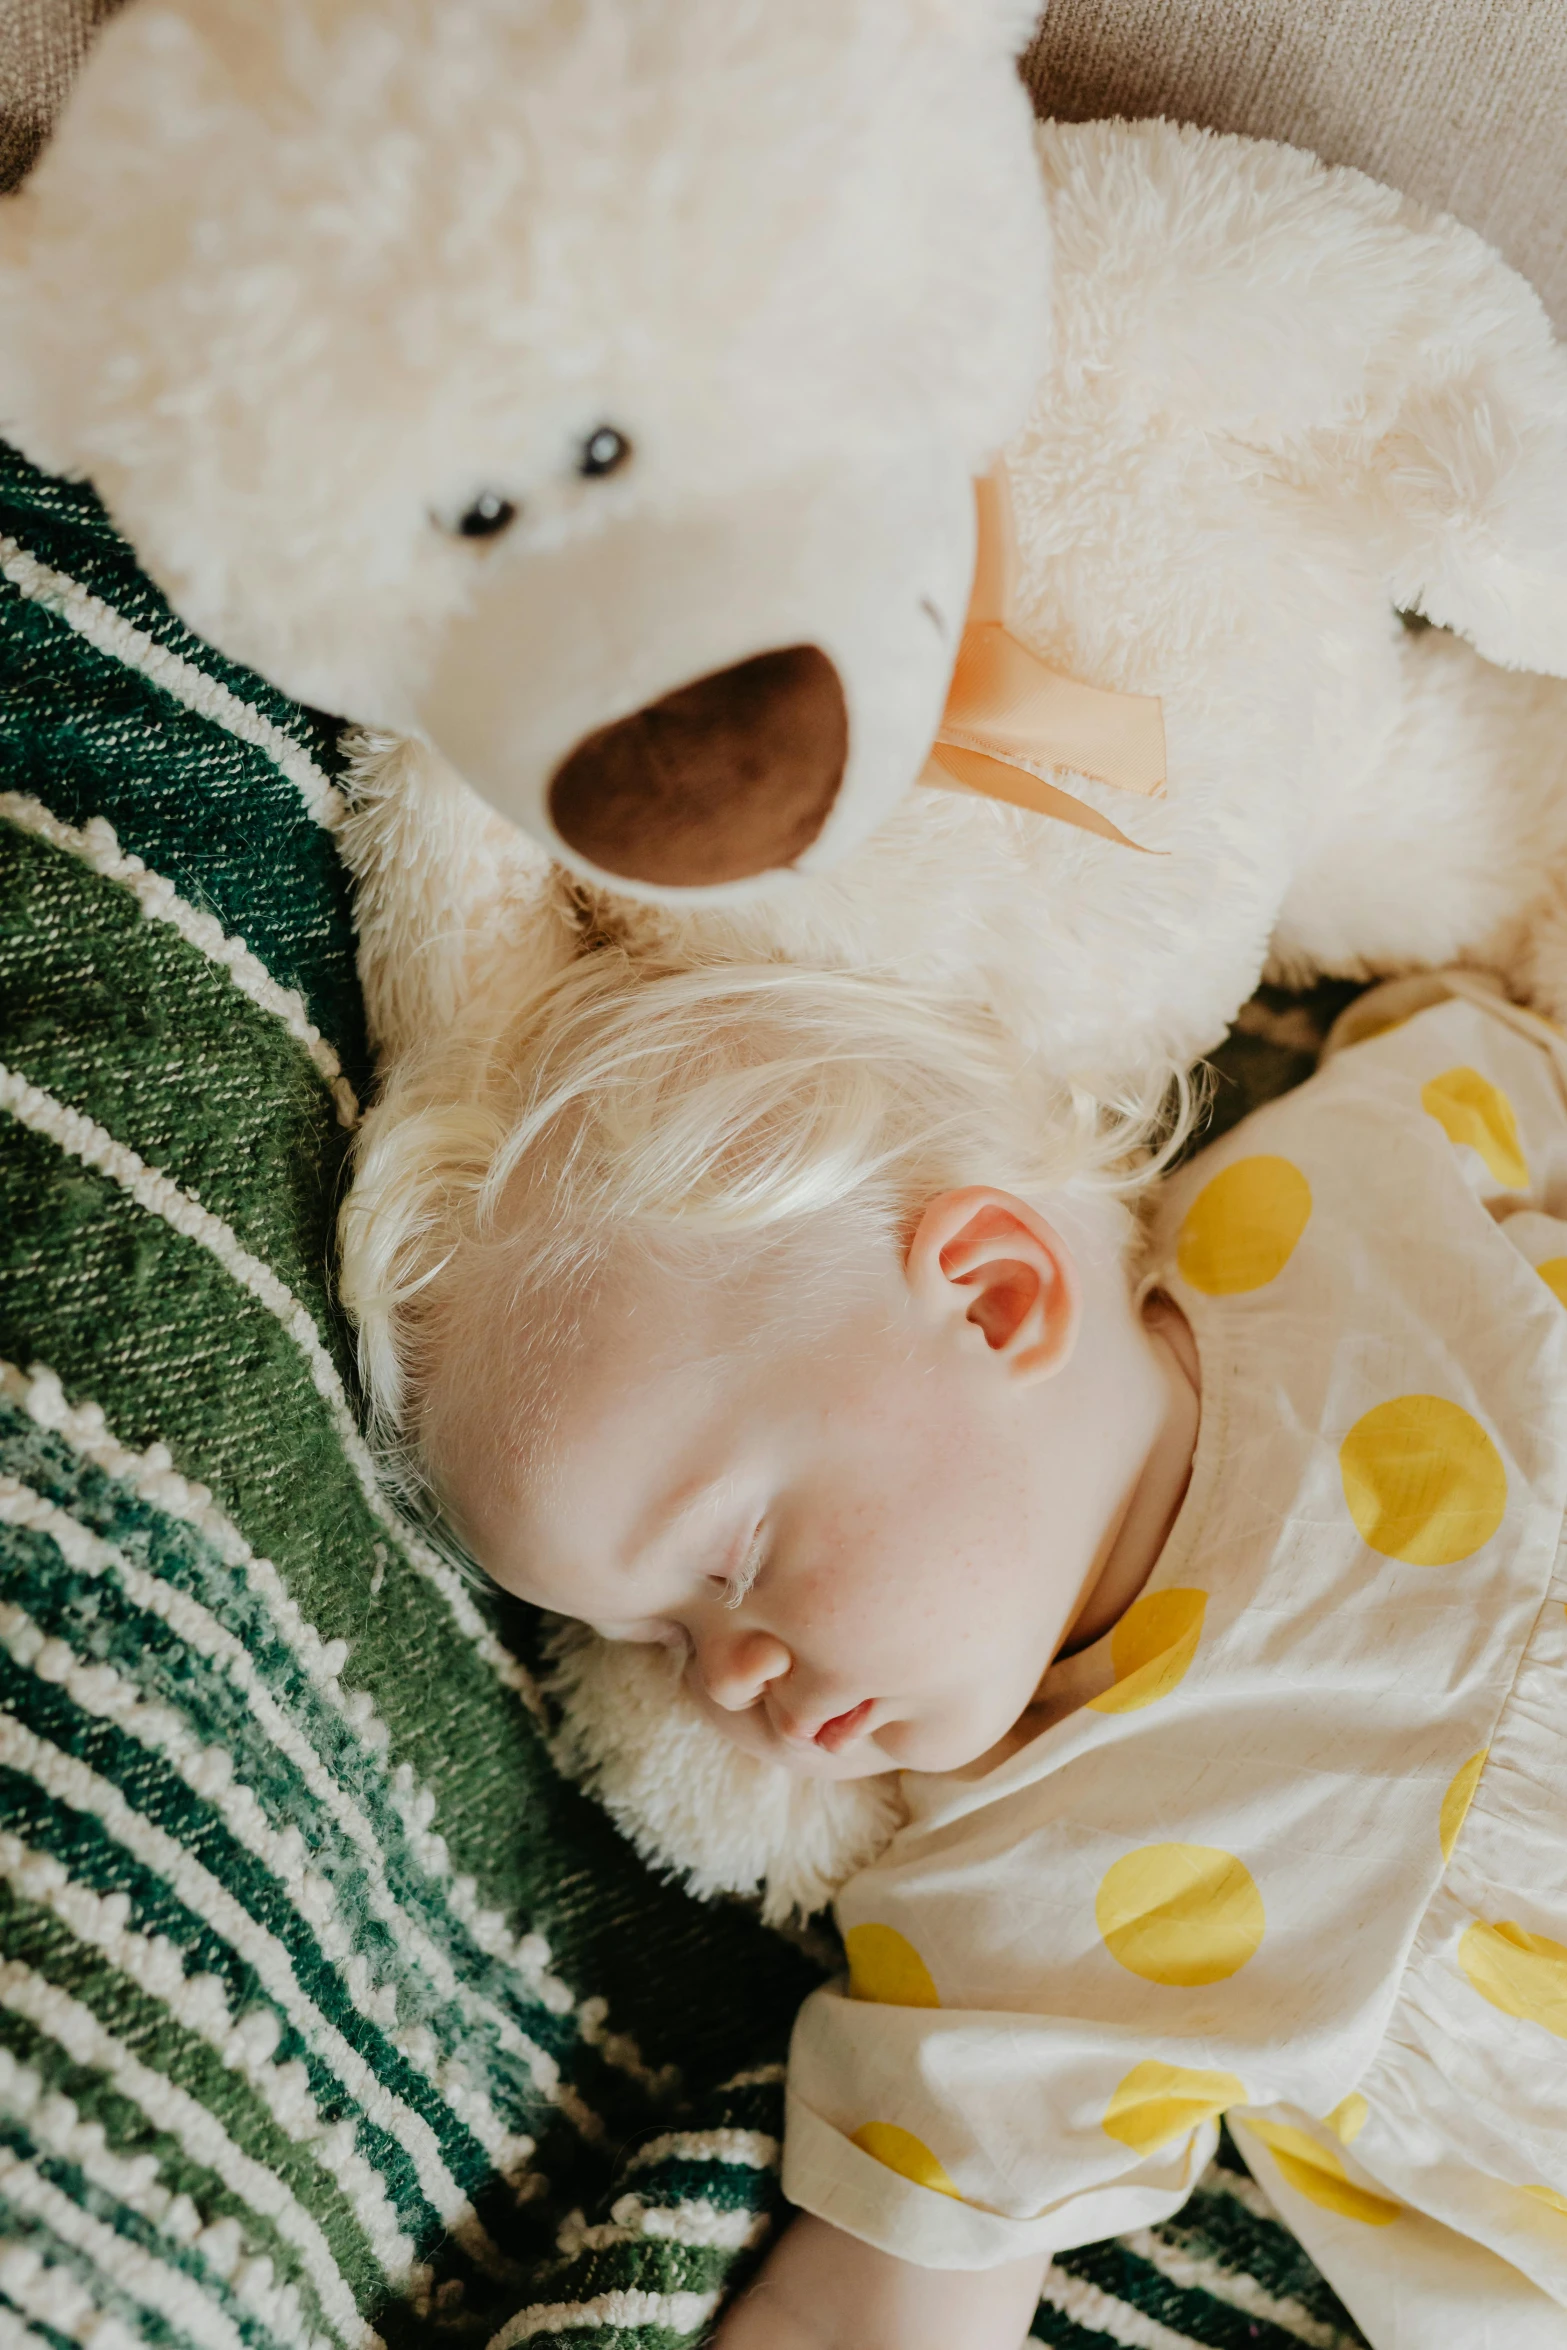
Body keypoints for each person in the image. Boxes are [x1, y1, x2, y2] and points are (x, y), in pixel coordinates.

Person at [339, 954, 1567, 2350]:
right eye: (660, 1641)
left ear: (991, 1294)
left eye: (728, 1563)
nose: (720, 1682)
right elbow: (876, 2308)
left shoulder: (1344, 1195)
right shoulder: (1007, 1902)